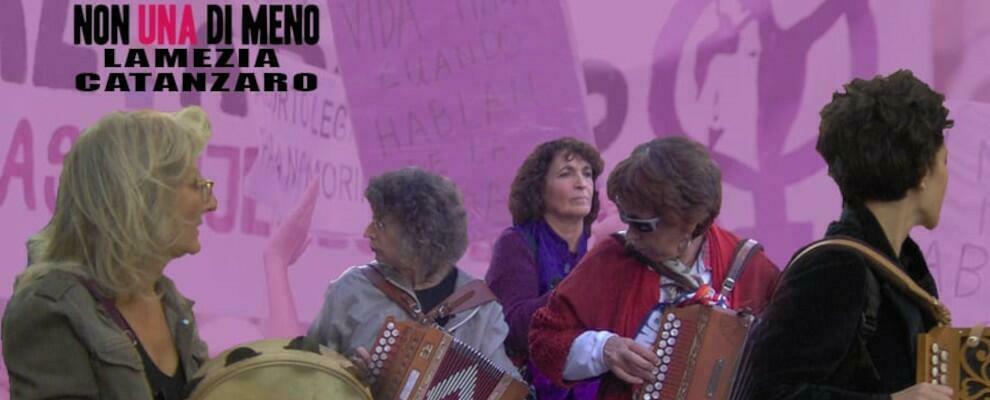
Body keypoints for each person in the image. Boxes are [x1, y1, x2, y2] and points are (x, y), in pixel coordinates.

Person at [741, 70, 955, 400]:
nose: (947, 176)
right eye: (944, 162)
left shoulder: (903, 266)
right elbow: (766, 393)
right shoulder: (835, 267)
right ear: (924, 171)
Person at [528, 136, 780, 400]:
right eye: (627, 218)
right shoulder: (612, 259)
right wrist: (603, 349)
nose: (631, 233)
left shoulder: (748, 266)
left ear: (691, 221)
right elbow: (544, 339)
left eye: (642, 224)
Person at [1, 107, 216, 399]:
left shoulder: (172, 304)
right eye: (197, 186)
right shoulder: (50, 308)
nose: (212, 203)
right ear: (142, 196)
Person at [307, 167, 518, 378]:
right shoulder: (351, 289)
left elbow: (506, 390)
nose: (368, 233)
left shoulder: (479, 308)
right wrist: (351, 381)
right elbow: (307, 374)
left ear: (418, 235)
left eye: (380, 224)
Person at [485, 137, 605, 399]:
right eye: (566, 174)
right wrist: (580, 285)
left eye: (587, 174)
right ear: (539, 189)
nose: (581, 183)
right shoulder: (516, 243)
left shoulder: (604, 247)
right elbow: (513, 327)